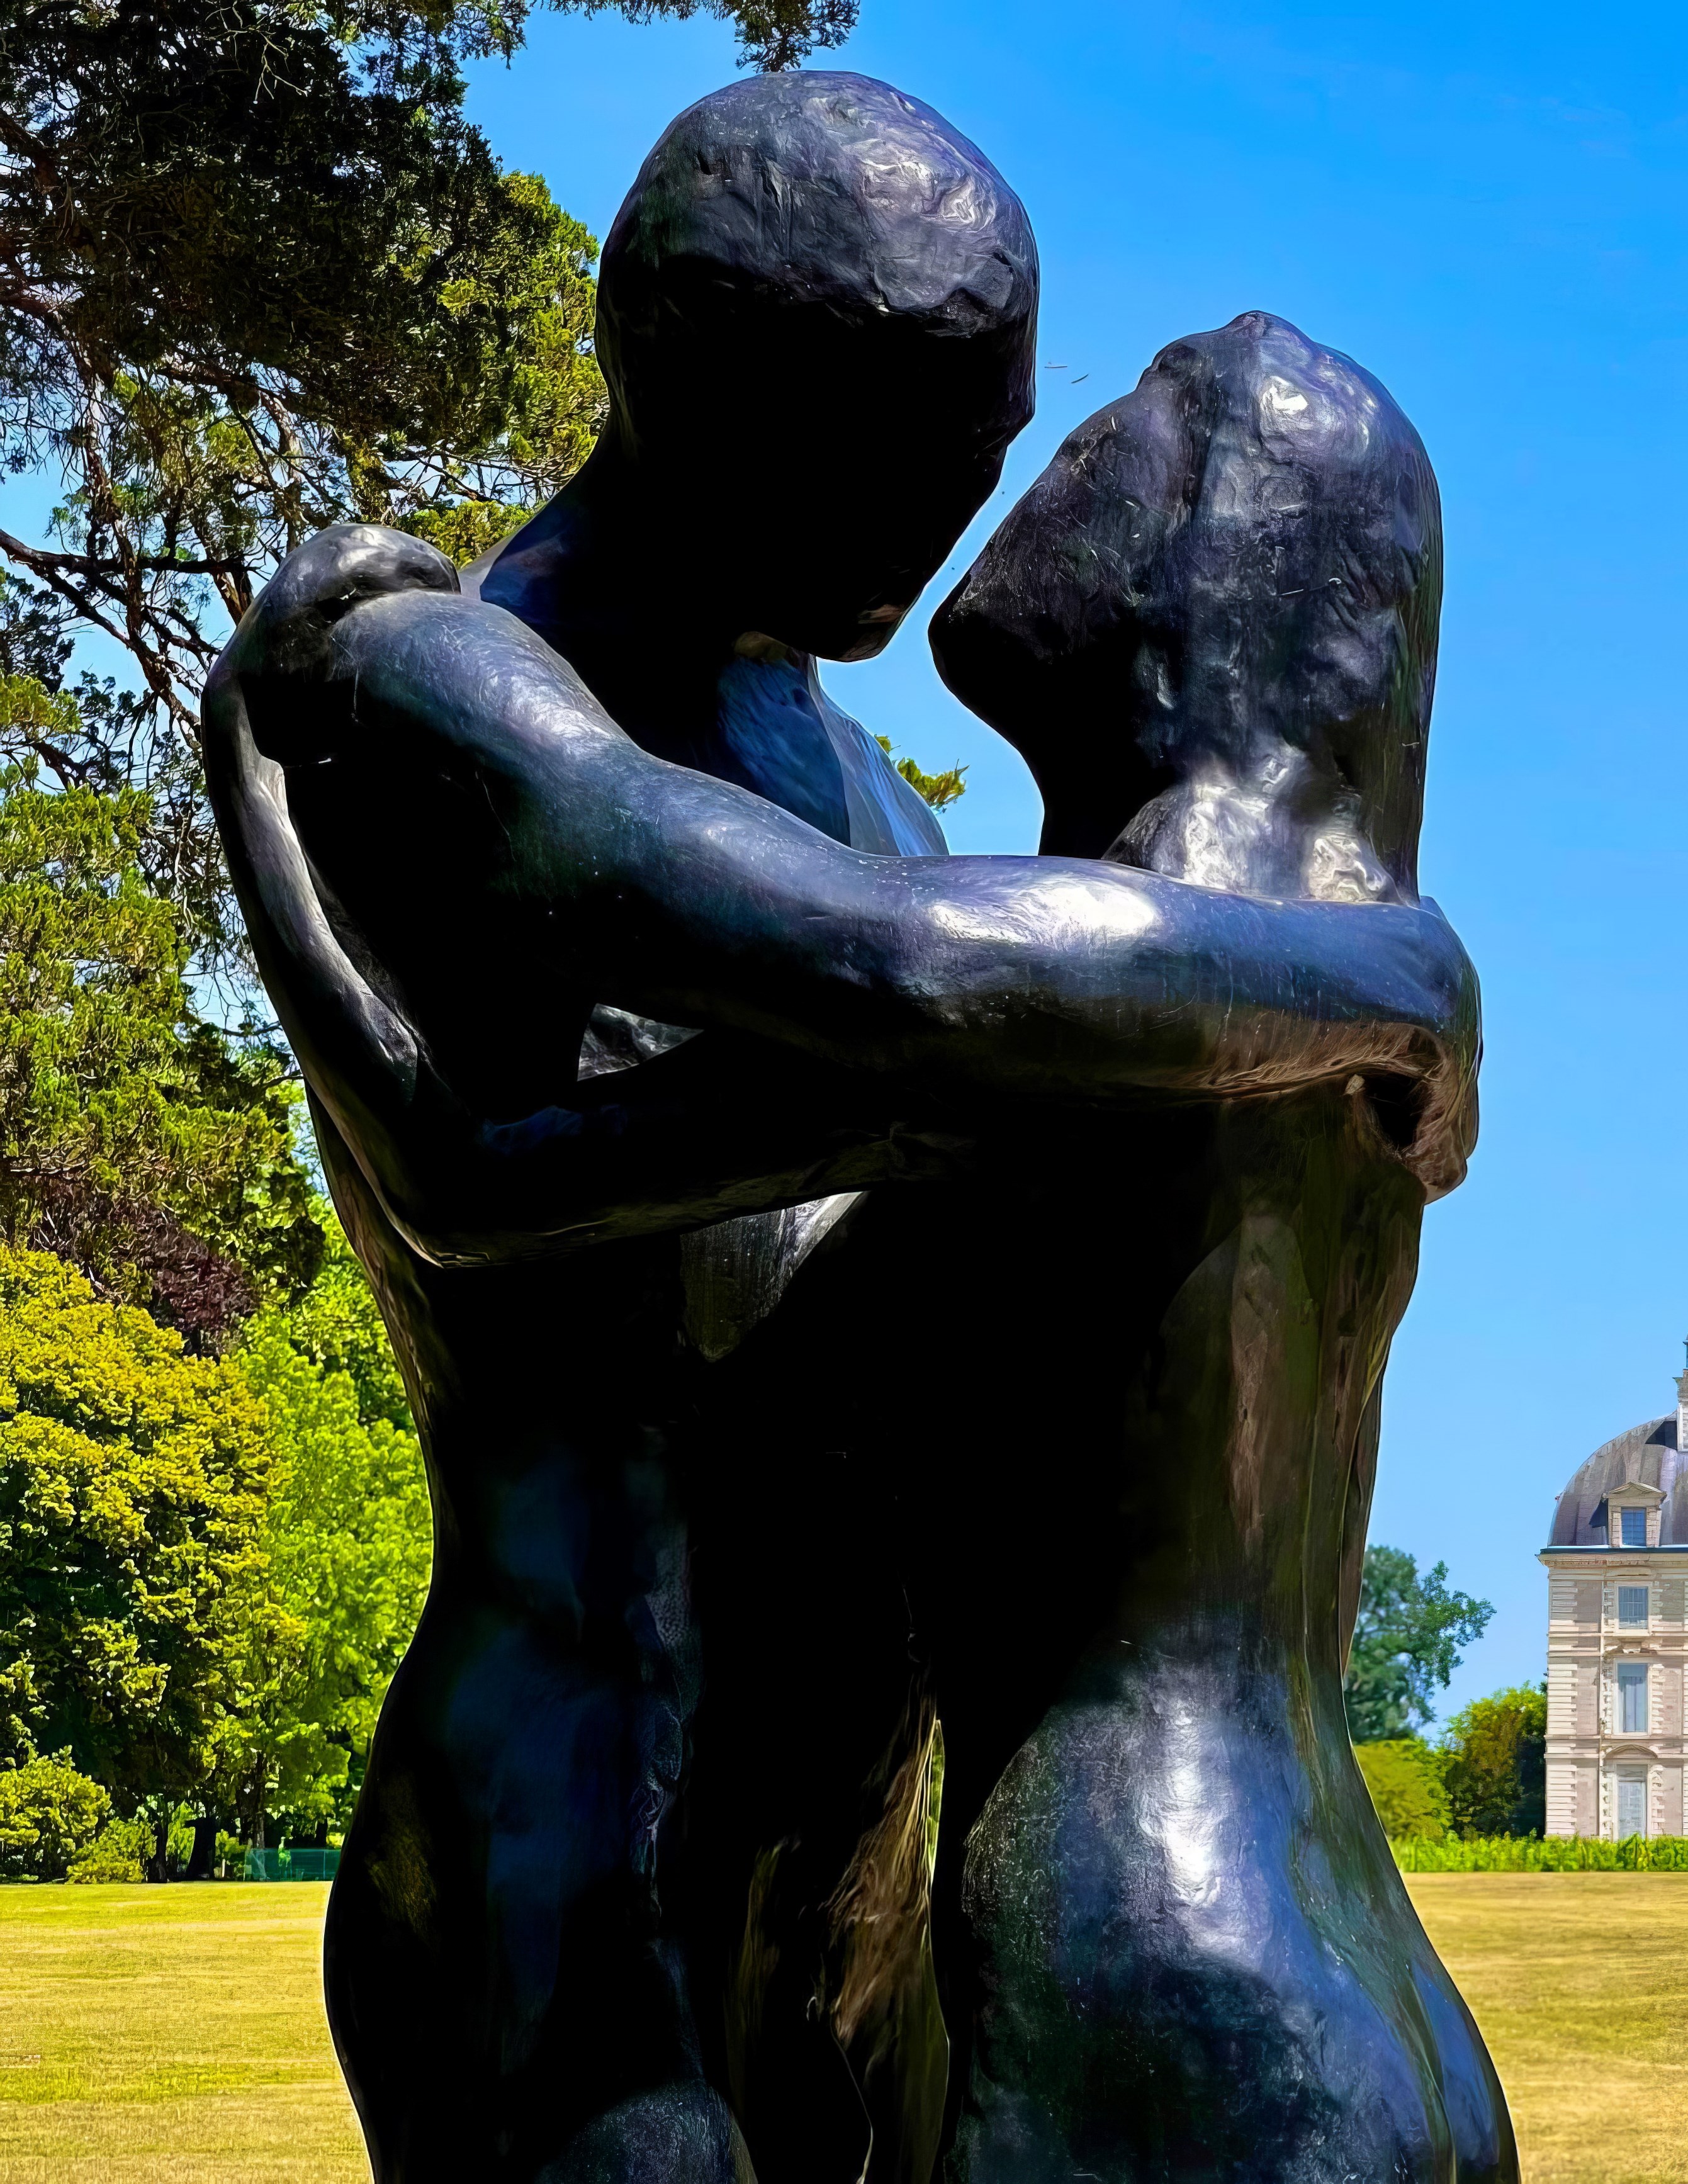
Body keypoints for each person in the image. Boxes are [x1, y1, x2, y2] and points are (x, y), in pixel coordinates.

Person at [205, 77, 1480, 2184]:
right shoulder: (445, 688)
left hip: (865, 1875)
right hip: (575, 1837)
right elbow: (893, 997)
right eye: (907, 451)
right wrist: (1391, 985)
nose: (956, 511)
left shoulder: (856, 779)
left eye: (986, 440)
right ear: (704, 396)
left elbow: (887, 1142)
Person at [721, 312, 1518, 2183]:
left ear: (1214, 559)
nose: (1028, 476)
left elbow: (851, 950)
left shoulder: (1136, 948)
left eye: (1117, 442)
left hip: (1151, 1983)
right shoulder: (1340, 943)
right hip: (1353, 1973)